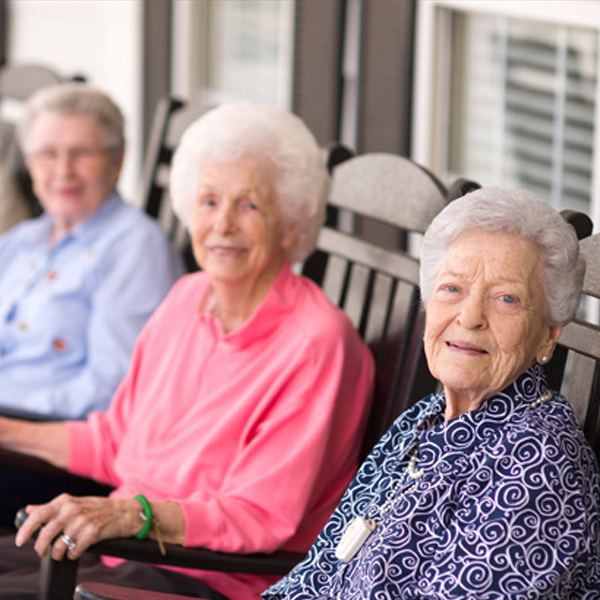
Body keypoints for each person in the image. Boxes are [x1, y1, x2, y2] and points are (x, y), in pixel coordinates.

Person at [0, 102, 375, 600]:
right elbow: (117, 440)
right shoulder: (187, 298)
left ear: (291, 224)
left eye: (250, 206)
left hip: (200, 575)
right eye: (209, 202)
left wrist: (131, 513)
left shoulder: (314, 345)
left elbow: (259, 516)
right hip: (120, 551)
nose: (223, 225)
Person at [263, 188, 600, 599]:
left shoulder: (537, 464)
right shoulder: (424, 420)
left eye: (506, 299)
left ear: (549, 336)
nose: (470, 317)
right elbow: (317, 575)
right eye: (452, 289)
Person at [0, 83, 184, 528]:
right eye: (47, 154)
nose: (63, 170)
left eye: (82, 153)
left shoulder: (134, 248)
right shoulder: (24, 240)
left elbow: (107, 391)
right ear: (29, 164)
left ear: (117, 161)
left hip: (57, 460)